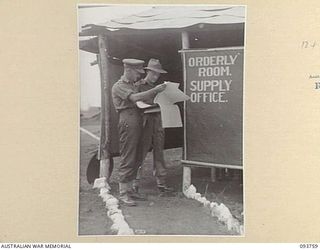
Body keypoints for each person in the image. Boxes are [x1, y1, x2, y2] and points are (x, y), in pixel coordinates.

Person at [111, 58, 166, 206]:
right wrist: (155, 90)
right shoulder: (119, 86)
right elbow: (134, 98)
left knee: (137, 157)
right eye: (136, 73)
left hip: (138, 120)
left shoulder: (133, 85)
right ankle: (123, 192)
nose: (138, 76)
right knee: (128, 156)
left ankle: (130, 191)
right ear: (127, 70)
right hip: (128, 121)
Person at [132, 58, 174, 195]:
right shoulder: (138, 85)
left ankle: (161, 183)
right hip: (145, 122)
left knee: (159, 153)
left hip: (158, 121)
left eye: (158, 74)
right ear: (147, 71)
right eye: (154, 73)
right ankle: (134, 183)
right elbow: (135, 103)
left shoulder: (161, 88)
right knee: (141, 152)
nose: (156, 76)